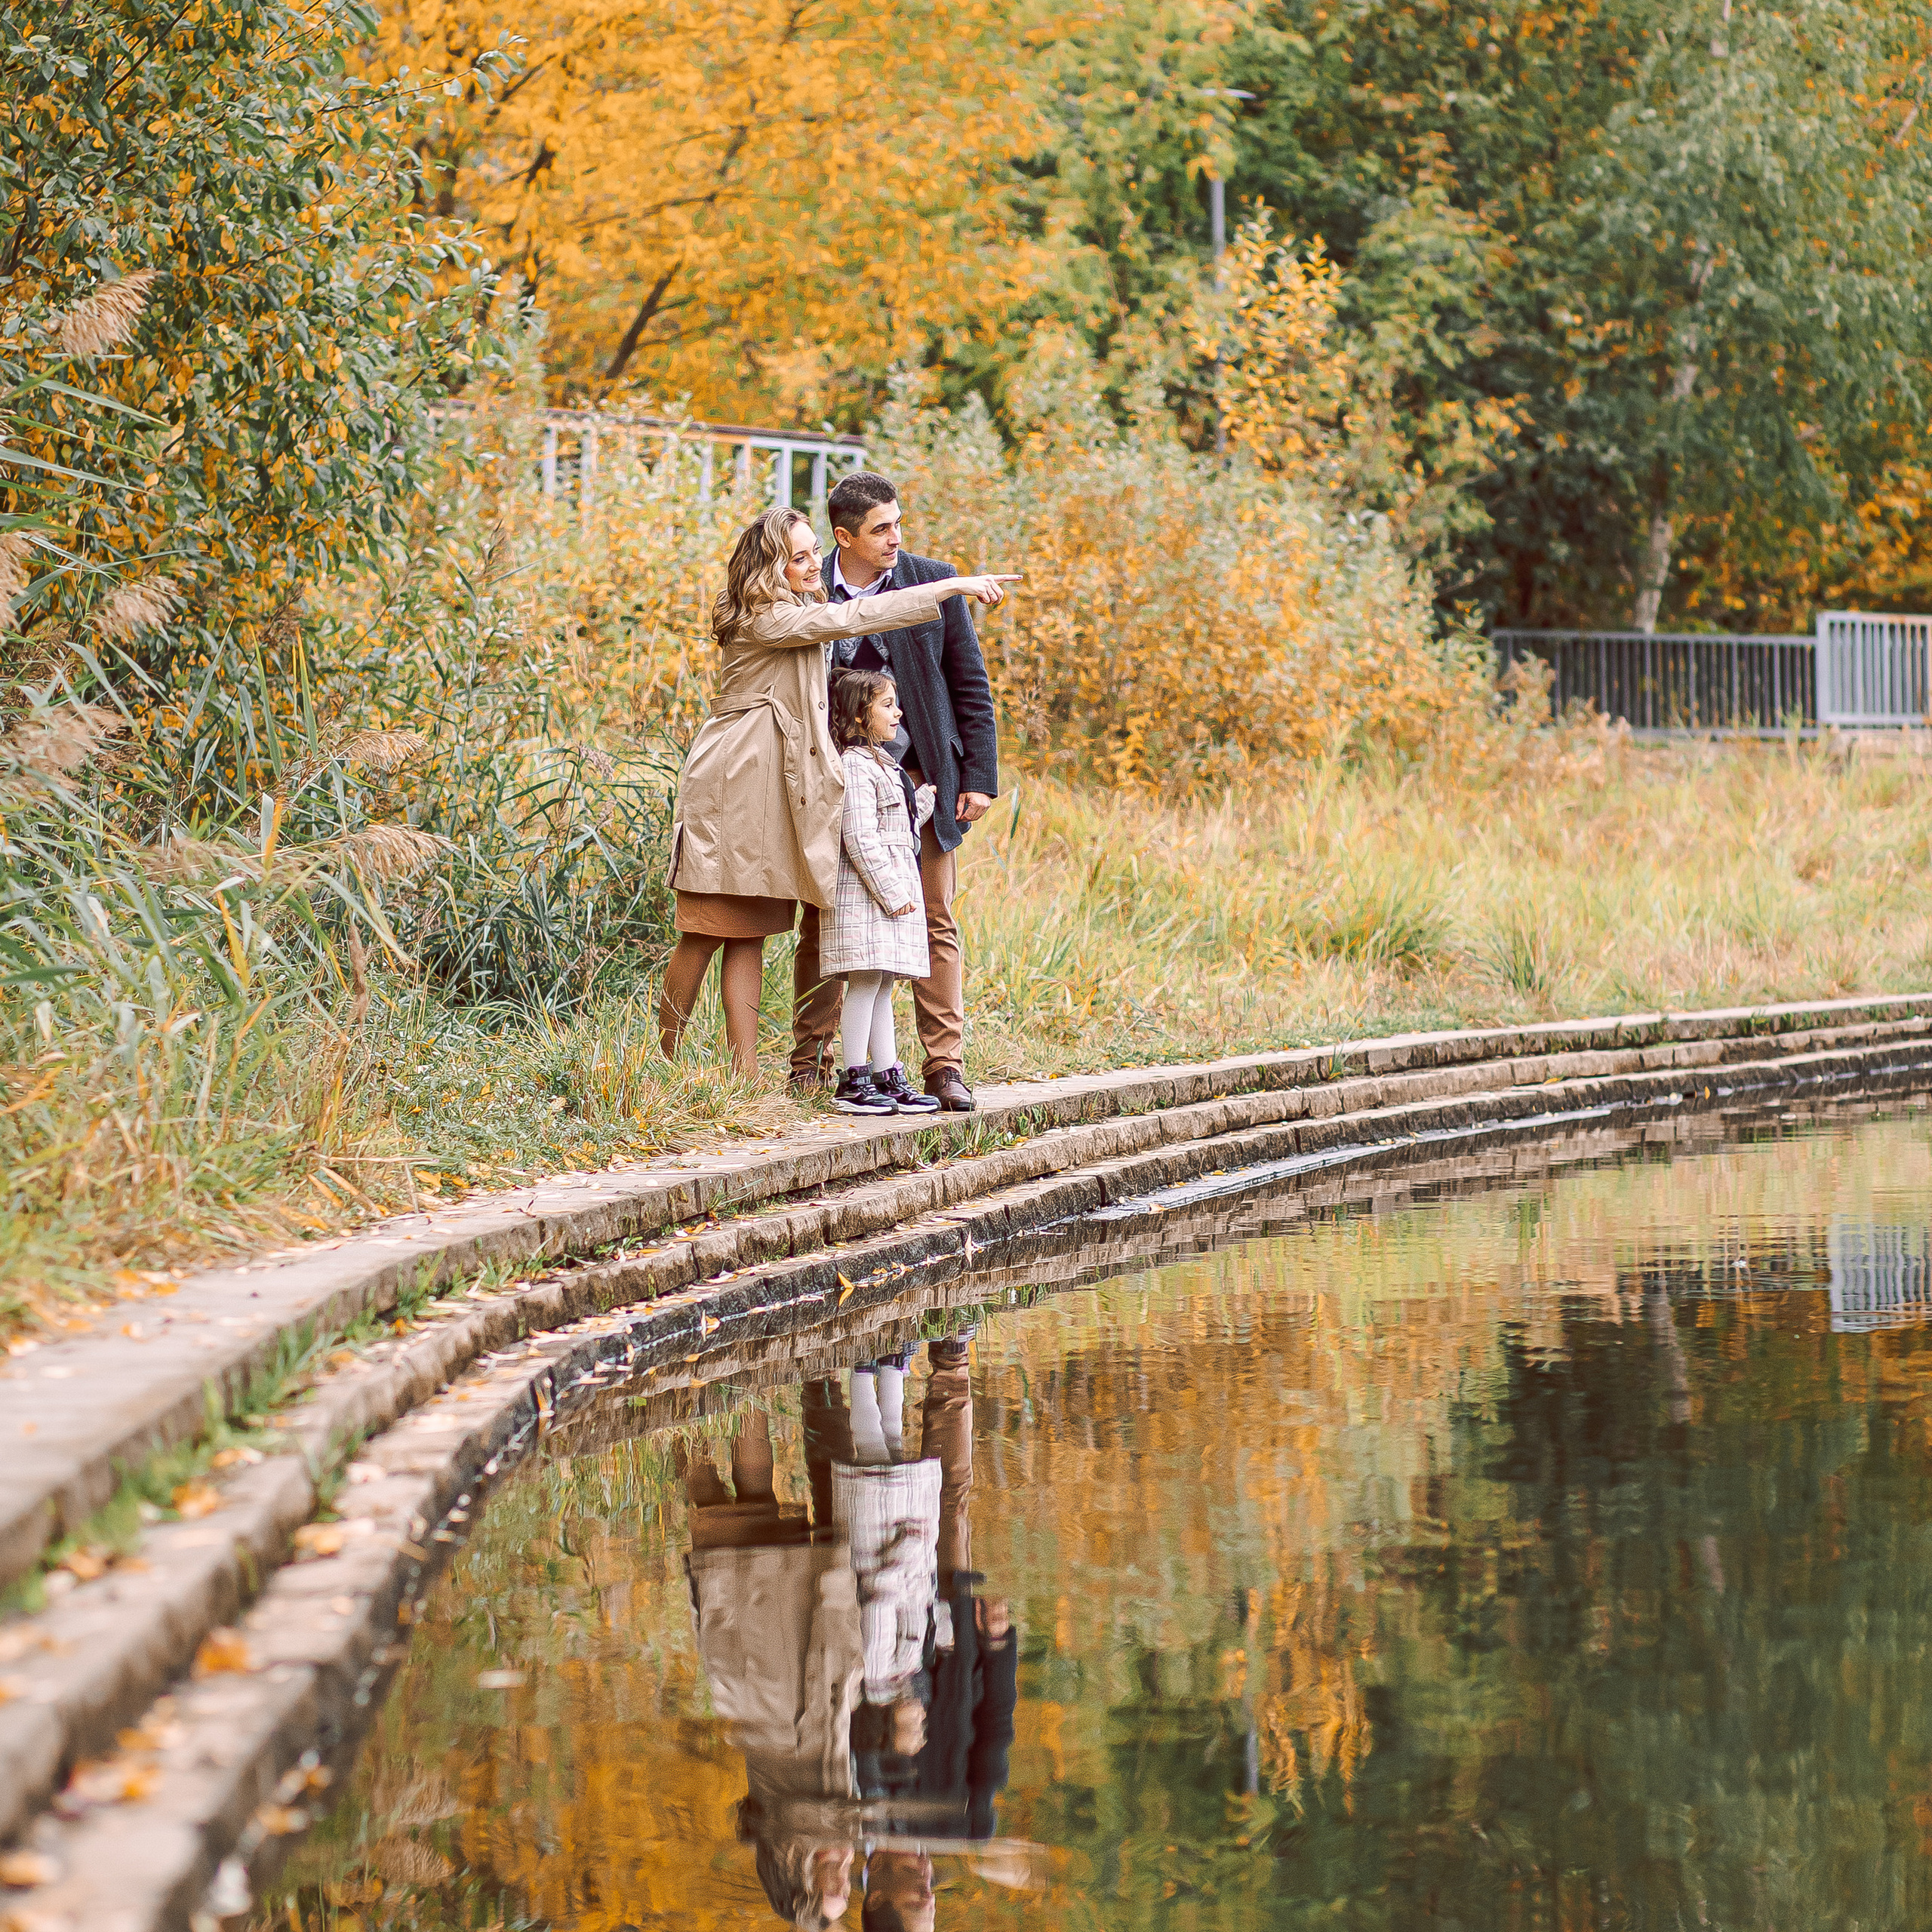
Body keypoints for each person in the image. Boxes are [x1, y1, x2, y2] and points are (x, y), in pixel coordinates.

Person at [660, 505, 1012, 1077]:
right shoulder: (767, 617)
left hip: (775, 792)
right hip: (734, 787)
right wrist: (948, 588)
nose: (811, 565)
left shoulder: (797, 608)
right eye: (797, 557)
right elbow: (854, 618)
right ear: (769, 567)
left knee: (750, 934)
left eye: (812, 553)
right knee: (704, 932)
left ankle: (743, 1078)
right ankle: (663, 1062)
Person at [793, 474, 1007, 1112]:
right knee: (823, 922)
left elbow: (970, 684)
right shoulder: (806, 587)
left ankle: (944, 1067)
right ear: (844, 536)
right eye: (881, 528)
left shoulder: (930, 580)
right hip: (830, 787)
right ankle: (811, 1065)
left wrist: (979, 777)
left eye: (898, 524)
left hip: (920, 779)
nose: (895, 538)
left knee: (933, 918)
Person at [681, 1411, 861, 1928]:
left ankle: (688, 1412)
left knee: (719, 1514)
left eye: (831, 1884)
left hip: (773, 1672)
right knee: (752, 1504)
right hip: (788, 1662)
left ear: (800, 1877)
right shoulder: (831, 1830)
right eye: (846, 1883)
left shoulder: (788, 1833)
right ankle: (730, 1394)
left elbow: (803, 1815)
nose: (843, 1872)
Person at [821, 669, 944, 1116]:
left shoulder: (884, 764)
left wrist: (922, 803)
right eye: (887, 705)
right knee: (864, 983)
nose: (899, 713)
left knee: (882, 984)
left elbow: (895, 827)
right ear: (859, 714)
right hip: (867, 897)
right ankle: (854, 1079)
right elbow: (859, 836)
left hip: (887, 893)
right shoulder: (855, 765)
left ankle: (886, 1074)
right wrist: (892, 893)